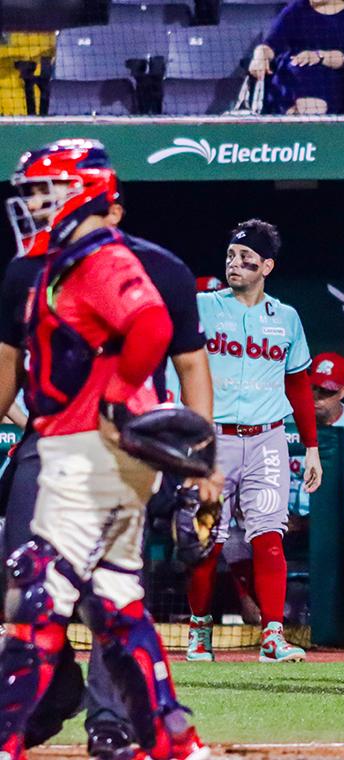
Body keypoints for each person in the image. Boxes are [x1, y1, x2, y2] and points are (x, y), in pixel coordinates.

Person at [0, 151, 220, 759]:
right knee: (117, 603)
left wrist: (126, 402)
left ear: (86, 193)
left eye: (47, 191)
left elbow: (158, 334)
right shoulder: (44, 267)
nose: (34, 203)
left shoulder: (105, 261)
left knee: (40, 592)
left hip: (89, 453)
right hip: (79, 448)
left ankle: (26, 732)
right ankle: (172, 737)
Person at [186, 219, 322, 664]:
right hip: (213, 441)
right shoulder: (203, 306)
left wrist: (313, 446)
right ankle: (199, 631)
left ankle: (272, 635)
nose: (236, 264)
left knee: (268, 537)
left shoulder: (285, 318)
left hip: (267, 439)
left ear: (267, 266)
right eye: (231, 256)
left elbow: (299, 385)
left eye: (246, 258)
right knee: (208, 538)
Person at [286, 353, 344, 590]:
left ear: (343, 391)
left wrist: (308, 523)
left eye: (327, 391)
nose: (317, 398)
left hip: (329, 523)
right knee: (236, 536)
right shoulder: (283, 420)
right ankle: (256, 612)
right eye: (313, 388)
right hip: (282, 518)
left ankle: (339, 613)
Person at [249, 0, 344, 114]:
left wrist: (321, 56)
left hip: (334, 82)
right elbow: (269, 44)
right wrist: (260, 56)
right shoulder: (296, 9)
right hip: (292, 76)